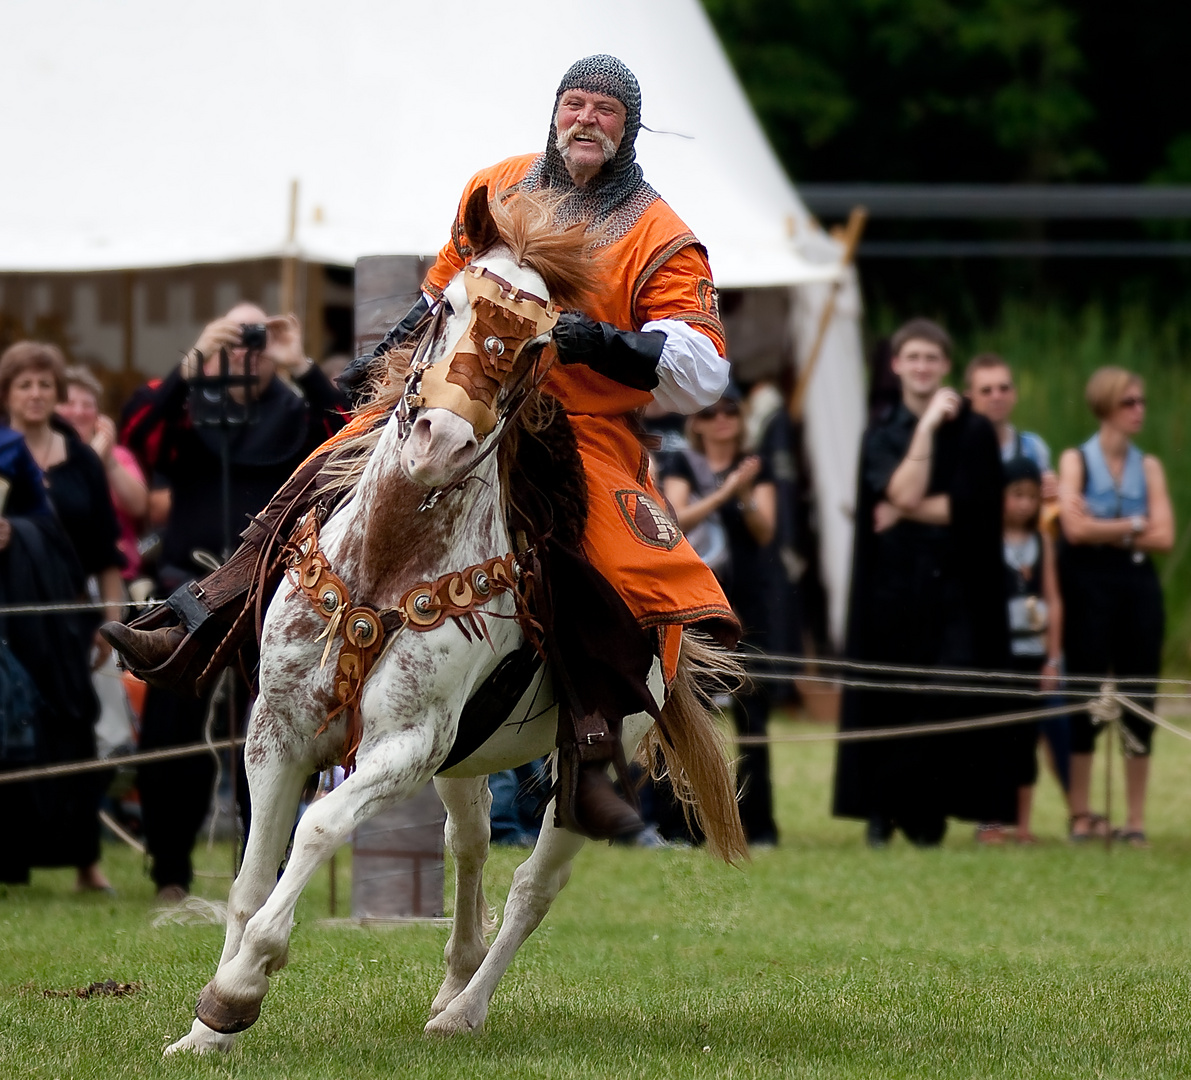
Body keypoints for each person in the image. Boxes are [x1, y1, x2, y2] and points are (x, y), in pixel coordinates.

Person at [103, 55, 736, 842]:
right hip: (460, 393)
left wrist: (601, 342)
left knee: (607, 554)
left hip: (573, 423)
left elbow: (704, 367)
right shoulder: (497, 187)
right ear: (553, 112)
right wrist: (385, 357)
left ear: (628, 126)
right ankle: (201, 617)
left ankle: (589, 744)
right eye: (574, 103)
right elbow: (444, 293)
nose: (586, 120)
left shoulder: (658, 231)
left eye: (604, 110)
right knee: (322, 469)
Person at [113, 304, 350, 900]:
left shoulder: (298, 411)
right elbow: (134, 437)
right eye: (237, 338)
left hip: (271, 591)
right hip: (185, 589)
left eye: (258, 339)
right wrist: (192, 361)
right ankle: (170, 871)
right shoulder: (188, 408)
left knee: (269, 736)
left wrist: (301, 364)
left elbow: (352, 435)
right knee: (168, 738)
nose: (248, 350)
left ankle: (261, 870)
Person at [832, 318, 1014, 846]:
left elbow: (973, 508)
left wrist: (909, 506)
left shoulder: (976, 432)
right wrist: (929, 427)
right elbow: (902, 492)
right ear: (896, 365)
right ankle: (890, 813)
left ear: (945, 366)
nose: (922, 366)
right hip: (892, 589)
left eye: (931, 358)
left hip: (957, 590)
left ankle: (910, 800)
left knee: (950, 691)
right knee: (893, 695)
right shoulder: (881, 432)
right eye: (912, 357)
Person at [0, 342, 121, 892]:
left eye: (44, 384)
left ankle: (84, 861)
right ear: (7, 394)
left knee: (73, 725)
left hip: (68, 613)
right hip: (9, 618)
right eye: (24, 384)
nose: (35, 393)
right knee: (11, 728)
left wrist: (112, 619)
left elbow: (104, 551)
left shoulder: (81, 463)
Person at [1058, 367, 1173, 846]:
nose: (1139, 410)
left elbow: (1164, 536)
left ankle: (1135, 819)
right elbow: (1074, 530)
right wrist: (1132, 525)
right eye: (1129, 402)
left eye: (1141, 401)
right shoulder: (1075, 461)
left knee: (1139, 696)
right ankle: (1081, 813)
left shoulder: (1150, 467)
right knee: (1084, 694)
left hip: (1138, 585)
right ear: (1105, 406)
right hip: (1088, 584)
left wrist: (1108, 526)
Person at [661, 387, 779, 845]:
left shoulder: (756, 467)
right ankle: (685, 824)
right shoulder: (680, 465)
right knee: (692, 716)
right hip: (696, 605)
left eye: (731, 410)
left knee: (754, 717)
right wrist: (727, 491)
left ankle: (758, 824)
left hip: (747, 603)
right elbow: (677, 521)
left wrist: (745, 495)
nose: (722, 420)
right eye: (711, 413)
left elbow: (765, 531)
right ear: (698, 422)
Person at [986, 456, 1063, 844]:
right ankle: (990, 822)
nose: (1024, 505)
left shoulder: (1042, 543)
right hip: (999, 655)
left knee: (1026, 740)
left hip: (1033, 653)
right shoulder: (988, 541)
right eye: (1016, 495)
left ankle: (1023, 823)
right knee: (993, 736)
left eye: (1031, 497)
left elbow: (1053, 598)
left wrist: (1052, 658)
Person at [57, 365, 148, 581]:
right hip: (66, 573)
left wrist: (107, 461)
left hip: (120, 574)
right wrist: (91, 461)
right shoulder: (47, 456)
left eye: (87, 405)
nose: (78, 412)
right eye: (69, 404)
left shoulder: (119, 456)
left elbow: (139, 506)